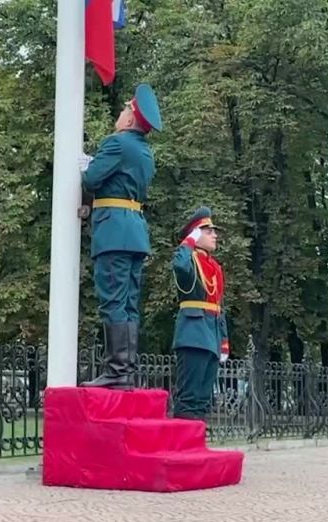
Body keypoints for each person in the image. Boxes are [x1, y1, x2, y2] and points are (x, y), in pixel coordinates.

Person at [78, 83, 163, 390]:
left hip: (113, 231)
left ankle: (116, 370)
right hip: (135, 231)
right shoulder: (144, 152)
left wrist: (85, 165)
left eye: (124, 110)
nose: (120, 113)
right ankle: (125, 369)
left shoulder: (118, 144)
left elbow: (91, 179)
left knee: (112, 299)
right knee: (128, 302)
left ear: (130, 119)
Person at [170, 207, 230, 420]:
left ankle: (196, 444)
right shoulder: (189, 259)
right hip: (193, 335)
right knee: (189, 398)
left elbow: (219, 305)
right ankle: (182, 445)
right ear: (195, 234)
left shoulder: (214, 266)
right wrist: (188, 243)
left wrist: (223, 340)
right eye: (208, 231)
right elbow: (179, 266)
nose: (215, 235)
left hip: (211, 335)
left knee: (204, 399)